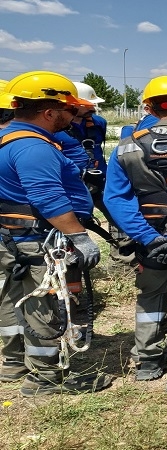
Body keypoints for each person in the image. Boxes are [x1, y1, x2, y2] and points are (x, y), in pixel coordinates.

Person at [0, 71, 111, 395]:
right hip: (34, 242)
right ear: (49, 112)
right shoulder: (34, 148)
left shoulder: (8, 138)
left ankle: (13, 362)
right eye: (68, 109)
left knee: (12, 299)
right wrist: (79, 236)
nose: (73, 115)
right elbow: (47, 198)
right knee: (42, 305)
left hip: (14, 238)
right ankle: (45, 378)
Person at [104, 75, 167, 381]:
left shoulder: (126, 147)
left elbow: (116, 199)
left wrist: (148, 238)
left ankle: (147, 361)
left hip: (149, 238)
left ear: (149, 106)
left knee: (150, 298)